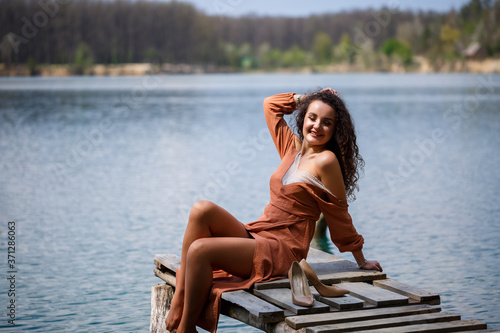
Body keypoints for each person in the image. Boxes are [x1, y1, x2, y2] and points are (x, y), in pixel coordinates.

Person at [165, 88, 383, 333]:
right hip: (260, 233)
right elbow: (270, 105)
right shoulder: (293, 149)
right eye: (312, 117)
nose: (317, 126)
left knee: (200, 250)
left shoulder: (327, 161)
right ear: (303, 118)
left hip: (283, 251)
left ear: (335, 130)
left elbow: (339, 215)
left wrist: (360, 259)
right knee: (201, 209)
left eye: (326, 122)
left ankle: (185, 329)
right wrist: (307, 98)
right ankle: (179, 301)